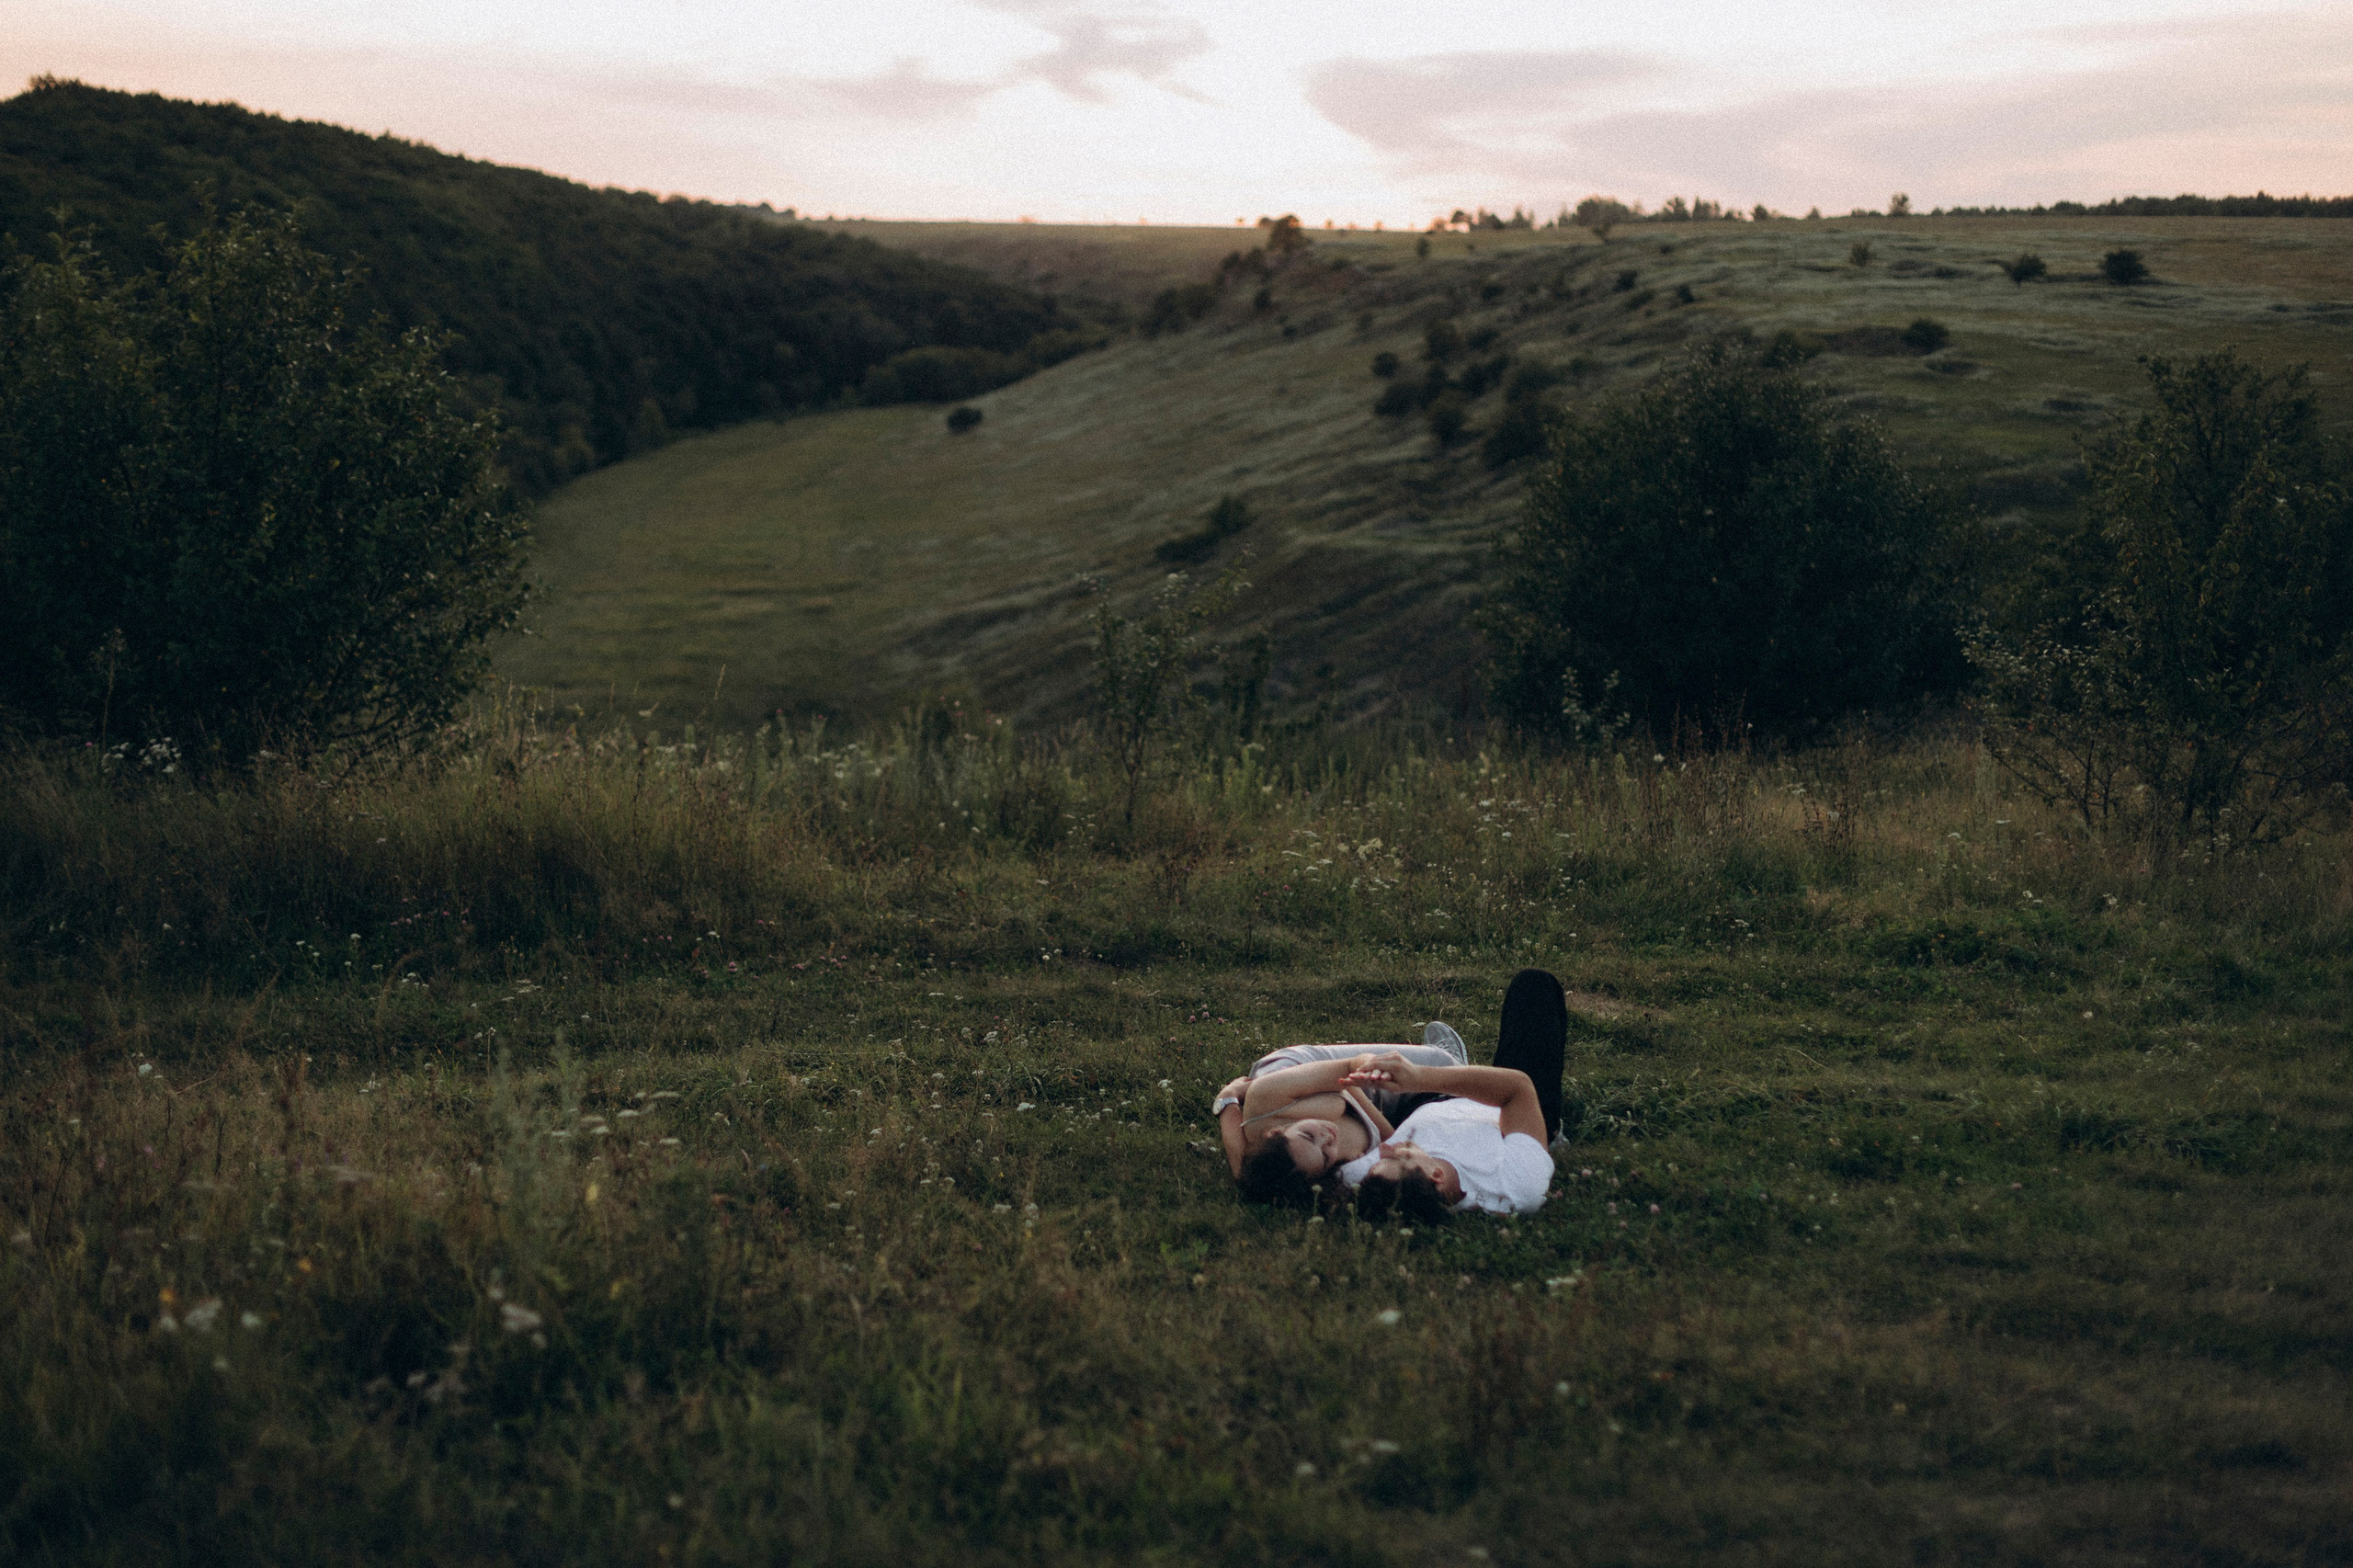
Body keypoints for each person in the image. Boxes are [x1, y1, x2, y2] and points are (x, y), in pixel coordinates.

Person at [1341, 969, 1569, 1221]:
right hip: (1510, 1106)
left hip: (1425, 1103)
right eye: (1402, 1155)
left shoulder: (1377, 1181)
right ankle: (1449, 1065)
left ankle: (1449, 1062)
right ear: (1436, 1176)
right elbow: (1517, 1089)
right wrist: (1418, 1076)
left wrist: (1350, 1086)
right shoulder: (1514, 1186)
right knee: (1534, 986)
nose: (1384, 1148)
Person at [1211, 1023, 1468, 1207]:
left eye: (1308, 1134)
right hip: (1356, 1098)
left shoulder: (1267, 1099)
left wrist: (1228, 1099)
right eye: (1324, 1156)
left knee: (1443, 1064)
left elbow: (1352, 1066)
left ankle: (1444, 1053)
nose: (1326, 1138)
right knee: (1431, 1099)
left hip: (1306, 1072)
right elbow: (1247, 1180)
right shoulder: (1300, 1170)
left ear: (1276, 1132)